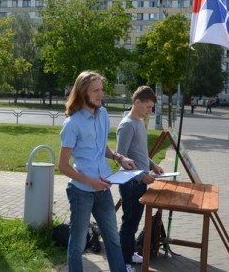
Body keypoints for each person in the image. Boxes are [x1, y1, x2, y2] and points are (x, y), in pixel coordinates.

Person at [58, 70, 135, 272]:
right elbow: (63, 166)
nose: (101, 94)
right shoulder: (72, 124)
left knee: (113, 240)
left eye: (101, 90)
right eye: (96, 91)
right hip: (81, 192)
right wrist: (90, 181)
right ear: (83, 92)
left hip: (103, 189)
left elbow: (102, 147)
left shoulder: (103, 114)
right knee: (77, 244)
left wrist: (119, 157)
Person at [116, 86, 164, 271]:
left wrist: (152, 165)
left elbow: (139, 153)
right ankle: (123, 262)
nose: (150, 111)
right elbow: (122, 156)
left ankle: (128, 254)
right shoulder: (127, 125)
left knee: (135, 222)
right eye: (148, 107)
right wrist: (142, 175)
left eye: (151, 107)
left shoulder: (139, 123)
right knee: (129, 224)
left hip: (140, 182)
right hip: (131, 184)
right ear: (137, 103)